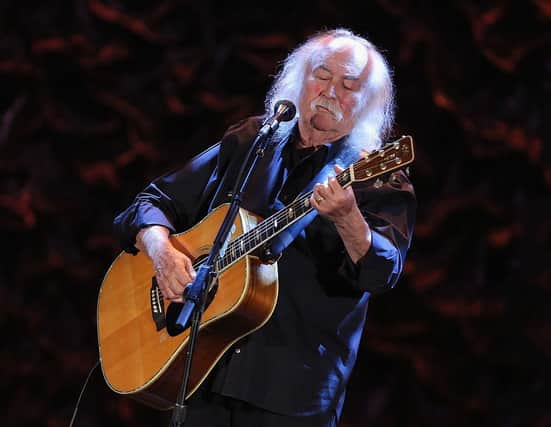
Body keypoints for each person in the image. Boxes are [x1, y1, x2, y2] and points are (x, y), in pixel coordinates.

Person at [114, 28, 416, 427]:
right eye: (322, 75)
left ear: (366, 103)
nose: (330, 91)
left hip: (290, 390)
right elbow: (149, 203)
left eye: (348, 85)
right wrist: (162, 252)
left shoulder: (377, 177)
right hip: (203, 367)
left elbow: (381, 273)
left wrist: (348, 218)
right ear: (300, 79)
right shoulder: (252, 141)